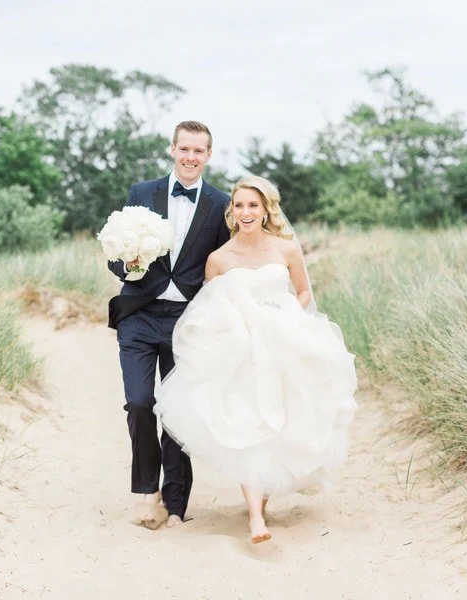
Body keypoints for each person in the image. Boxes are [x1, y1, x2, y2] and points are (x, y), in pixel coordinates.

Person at [153, 175, 357, 543]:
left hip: (283, 346)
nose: (246, 212)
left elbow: (303, 290)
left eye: (253, 205)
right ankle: (254, 519)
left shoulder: (286, 249)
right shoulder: (218, 259)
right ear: (231, 211)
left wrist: (290, 320)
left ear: (266, 210)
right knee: (246, 425)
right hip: (240, 353)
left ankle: (260, 508)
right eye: (240, 205)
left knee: (279, 423)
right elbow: (208, 310)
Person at [107, 121, 230, 529]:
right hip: (140, 314)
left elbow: (224, 262)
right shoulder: (142, 193)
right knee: (140, 403)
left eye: (199, 151)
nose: (191, 157)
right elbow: (114, 254)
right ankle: (148, 490)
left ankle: (176, 503)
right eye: (184, 149)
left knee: (179, 413)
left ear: (209, 155)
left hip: (188, 322)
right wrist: (127, 263)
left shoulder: (220, 203)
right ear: (172, 150)